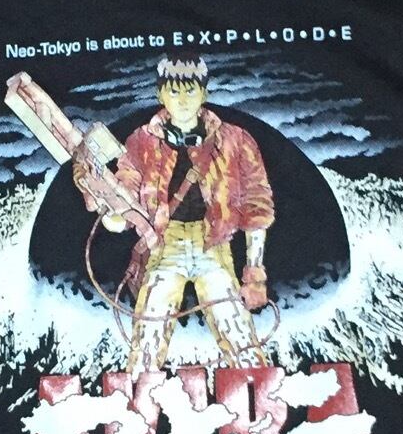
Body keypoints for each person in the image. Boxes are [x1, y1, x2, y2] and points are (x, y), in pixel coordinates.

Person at [77, 54, 275, 372]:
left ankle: (261, 395)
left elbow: (257, 207)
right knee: (148, 337)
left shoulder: (236, 141)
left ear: (204, 92)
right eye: (173, 91)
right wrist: (107, 207)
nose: (182, 100)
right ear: (160, 94)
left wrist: (254, 272)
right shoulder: (141, 142)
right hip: (164, 246)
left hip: (214, 246)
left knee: (238, 334)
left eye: (190, 90)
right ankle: (138, 399)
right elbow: (125, 202)